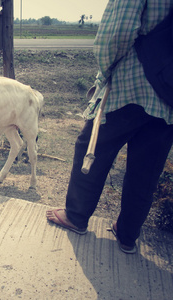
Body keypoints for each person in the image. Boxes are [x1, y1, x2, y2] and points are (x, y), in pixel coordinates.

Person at [46, 0, 173, 254]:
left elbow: (119, 30)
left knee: (92, 145)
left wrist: (104, 71)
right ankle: (127, 235)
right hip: (169, 92)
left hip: (132, 83)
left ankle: (76, 216)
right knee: (147, 168)